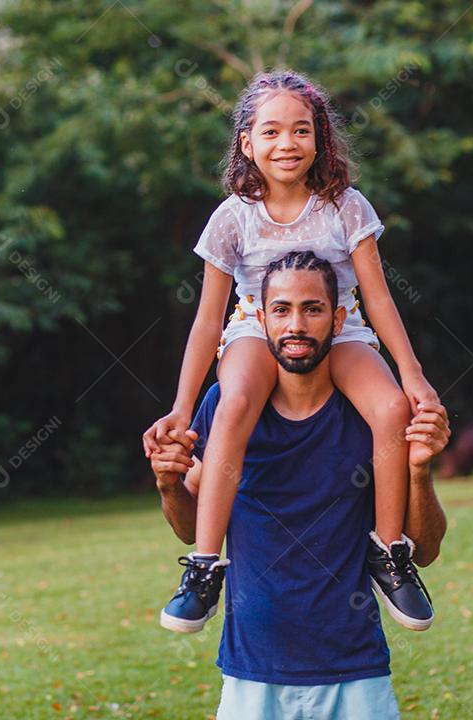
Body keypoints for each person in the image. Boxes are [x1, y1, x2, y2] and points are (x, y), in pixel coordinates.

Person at [142, 69, 439, 633]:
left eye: (301, 131)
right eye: (271, 132)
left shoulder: (345, 206)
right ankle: (205, 567)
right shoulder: (233, 216)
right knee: (231, 406)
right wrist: (182, 409)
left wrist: (413, 374)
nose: (287, 144)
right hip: (258, 327)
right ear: (247, 143)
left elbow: (376, 297)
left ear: (320, 139)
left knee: (393, 411)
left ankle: (389, 552)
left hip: (340, 328)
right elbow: (208, 321)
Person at [149, 251, 450, 719]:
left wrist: (419, 470)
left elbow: (425, 549)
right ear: (259, 317)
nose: (296, 326)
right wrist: (168, 483)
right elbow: (189, 525)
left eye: (312, 309)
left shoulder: (371, 412)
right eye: (282, 310)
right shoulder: (226, 406)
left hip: (355, 671)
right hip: (251, 672)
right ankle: (204, 575)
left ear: (338, 318)